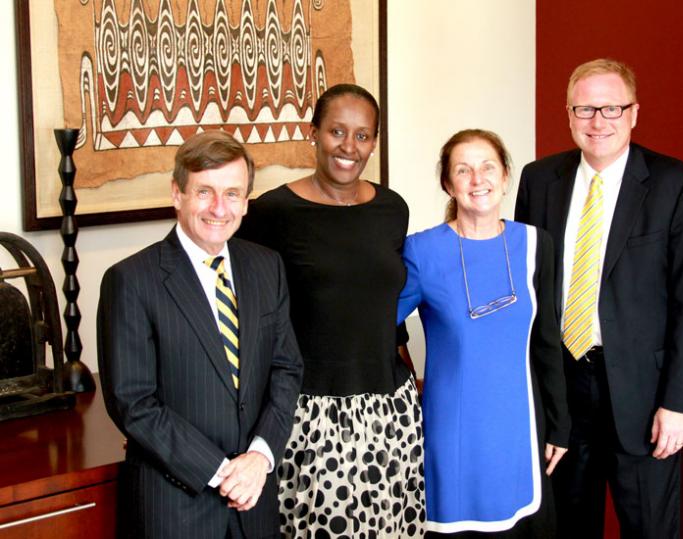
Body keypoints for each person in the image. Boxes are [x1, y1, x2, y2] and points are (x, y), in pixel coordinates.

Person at [515, 58, 683, 538]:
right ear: (568, 115)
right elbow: (525, 284)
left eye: (611, 108)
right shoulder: (538, 180)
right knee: (565, 525)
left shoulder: (674, 183)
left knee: (649, 527)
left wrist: (679, 403)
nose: (597, 121)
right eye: (585, 109)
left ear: (634, 113)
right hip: (561, 389)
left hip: (644, 396)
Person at [236, 84, 425, 537]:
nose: (349, 146)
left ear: (374, 142)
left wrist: (411, 382)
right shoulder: (273, 213)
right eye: (337, 131)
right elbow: (245, 319)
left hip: (388, 413)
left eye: (362, 135)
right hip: (309, 416)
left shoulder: (391, 208)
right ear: (313, 133)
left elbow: (383, 309)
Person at [97, 130, 303, 538]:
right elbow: (133, 403)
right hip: (175, 506)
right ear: (178, 194)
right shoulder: (132, 280)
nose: (218, 208)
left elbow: (286, 369)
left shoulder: (267, 267)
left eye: (232, 194)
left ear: (246, 202)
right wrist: (222, 472)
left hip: (254, 500)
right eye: (204, 192)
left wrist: (259, 459)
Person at [397, 129, 570, 537]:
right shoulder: (421, 251)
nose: (478, 179)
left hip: (521, 428)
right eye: (463, 169)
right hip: (452, 427)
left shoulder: (533, 243)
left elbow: (547, 341)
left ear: (506, 175)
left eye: (487, 166)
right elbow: (378, 327)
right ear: (447, 184)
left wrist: (560, 424)